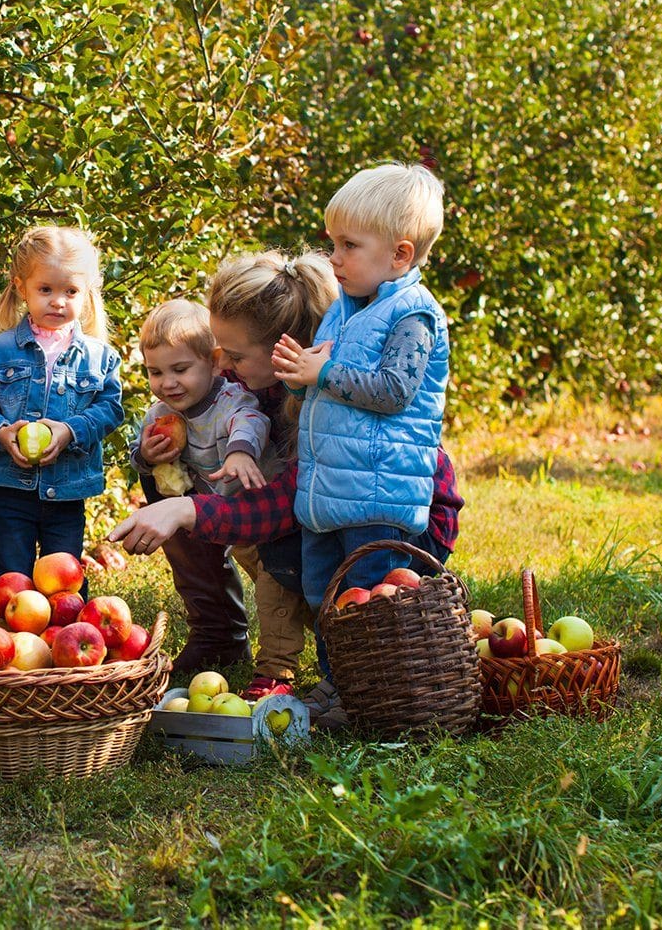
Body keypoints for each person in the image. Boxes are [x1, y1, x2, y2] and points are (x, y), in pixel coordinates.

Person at [110, 245, 463, 724]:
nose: (224, 368)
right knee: (293, 558)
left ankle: (356, 677)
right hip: (339, 514)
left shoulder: (324, 396)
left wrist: (187, 511)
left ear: (283, 347)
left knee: (300, 556)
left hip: (399, 523)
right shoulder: (260, 388)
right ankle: (242, 638)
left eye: (233, 355)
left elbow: (283, 505)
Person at [270, 163, 452, 708]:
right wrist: (302, 379)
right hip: (327, 491)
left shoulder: (414, 316)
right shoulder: (342, 312)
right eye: (332, 244)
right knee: (325, 594)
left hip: (379, 494)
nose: (335, 258)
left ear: (399, 254)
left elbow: (395, 390)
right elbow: (327, 390)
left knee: (369, 597)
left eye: (349, 245)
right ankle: (340, 681)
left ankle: (373, 691)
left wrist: (320, 374)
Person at [0, 226, 123, 593]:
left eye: (70, 291)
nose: (58, 301)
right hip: (8, 488)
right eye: (46, 289)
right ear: (22, 288)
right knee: (11, 580)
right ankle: (13, 647)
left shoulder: (99, 357)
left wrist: (70, 431)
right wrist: (1, 432)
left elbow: (111, 408)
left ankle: (64, 641)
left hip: (66, 491)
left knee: (64, 580)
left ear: (86, 293)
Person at [130, 298, 272, 672]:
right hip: (204, 511)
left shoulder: (228, 399)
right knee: (197, 572)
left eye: (180, 369)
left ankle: (281, 652)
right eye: (155, 372)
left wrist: (240, 453)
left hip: (252, 512)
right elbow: (140, 457)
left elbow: (250, 419)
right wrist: (146, 453)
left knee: (275, 584)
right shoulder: (161, 413)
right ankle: (217, 637)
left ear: (213, 361)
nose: (168, 383)